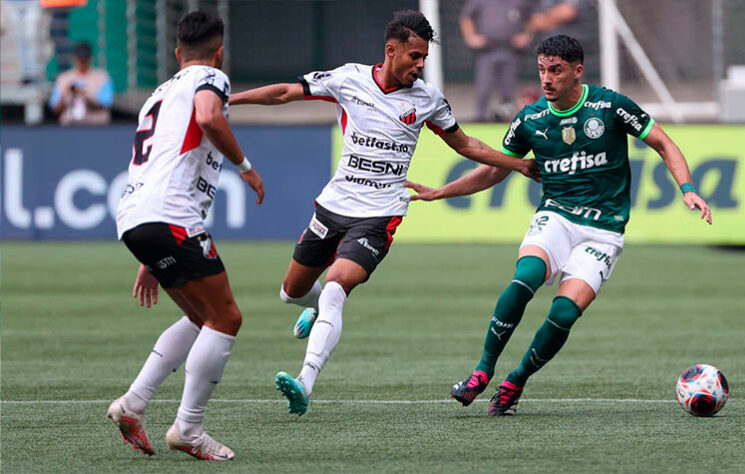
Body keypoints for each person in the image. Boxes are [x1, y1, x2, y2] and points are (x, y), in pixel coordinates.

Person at [229, 9, 537, 417]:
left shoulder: (428, 99)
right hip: (334, 204)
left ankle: (305, 381)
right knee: (291, 291)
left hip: (380, 213)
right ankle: (314, 310)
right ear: (391, 50)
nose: (421, 65)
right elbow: (285, 93)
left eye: (425, 57)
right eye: (414, 56)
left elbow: (465, 145)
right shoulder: (349, 79)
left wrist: (517, 164)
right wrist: (227, 101)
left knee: (337, 287)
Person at [406, 35, 712, 416]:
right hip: (557, 216)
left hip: (604, 229)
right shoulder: (530, 120)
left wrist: (687, 189)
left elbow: (664, 143)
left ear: (577, 71)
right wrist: (440, 193)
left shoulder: (610, 106)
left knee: (565, 313)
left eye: (556, 71)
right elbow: (492, 172)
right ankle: (482, 371)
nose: (546, 79)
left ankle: (515, 380)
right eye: (541, 70)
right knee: (525, 278)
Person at [106, 11, 265, 460]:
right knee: (226, 318)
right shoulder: (212, 78)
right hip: (169, 217)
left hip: (138, 216)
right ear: (219, 53)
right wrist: (247, 169)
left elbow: (164, 164)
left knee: (202, 318)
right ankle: (189, 429)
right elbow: (210, 118)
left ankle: (132, 405)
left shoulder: (158, 93)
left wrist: (149, 258)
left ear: (177, 54)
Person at [460, 0, 537, 122]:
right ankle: (481, 119)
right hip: (487, 50)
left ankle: (507, 120)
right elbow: (466, 17)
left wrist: (527, 35)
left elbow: (532, 17)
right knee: (484, 88)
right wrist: (470, 36)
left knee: (508, 90)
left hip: (511, 50)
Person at [48, 41, 114, 125]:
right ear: (74, 58)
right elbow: (55, 109)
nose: (82, 62)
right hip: (69, 128)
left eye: (85, 59)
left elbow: (105, 105)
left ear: (90, 58)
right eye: (80, 58)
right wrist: (67, 94)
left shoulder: (102, 77)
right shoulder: (63, 79)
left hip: (96, 127)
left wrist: (84, 95)